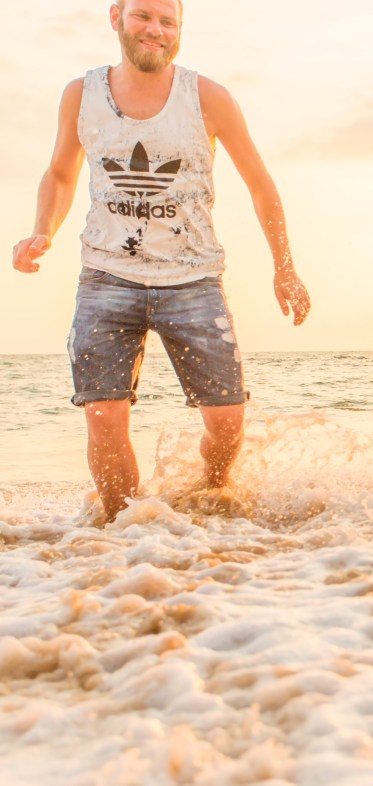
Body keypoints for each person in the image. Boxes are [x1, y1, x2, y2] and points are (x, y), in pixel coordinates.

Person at [11, 0, 311, 522]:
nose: (156, 30)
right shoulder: (82, 94)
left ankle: (212, 495)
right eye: (143, 16)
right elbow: (60, 172)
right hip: (106, 278)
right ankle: (125, 530)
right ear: (116, 18)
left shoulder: (209, 97)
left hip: (192, 279)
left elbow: (261, 185)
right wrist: (42, 230)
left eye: (167, 21)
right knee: (104, 415)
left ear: (179, 30)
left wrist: (284, 267)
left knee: (226, 421)